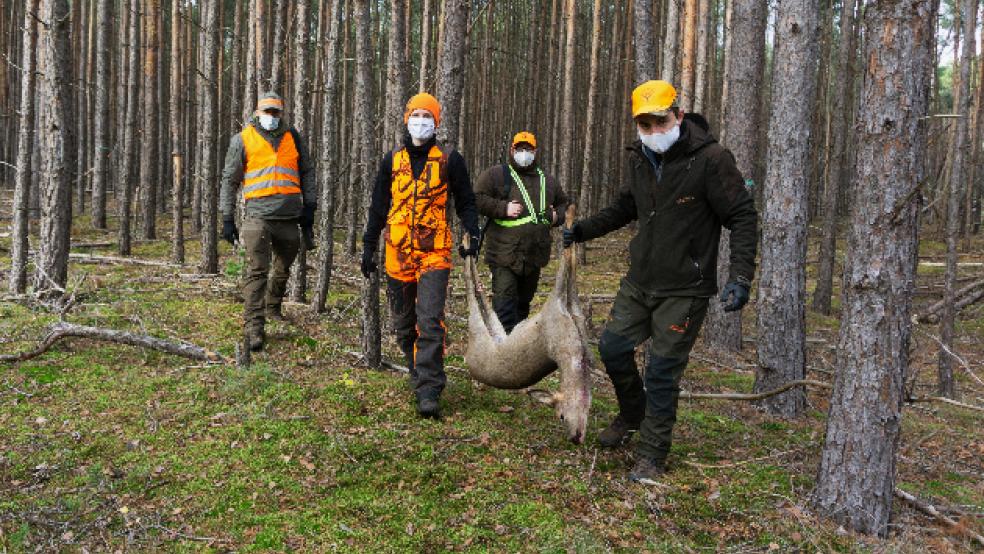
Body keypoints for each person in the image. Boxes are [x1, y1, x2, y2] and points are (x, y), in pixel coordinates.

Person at [563, 80, 758, 483]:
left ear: (679, 115)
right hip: (640, 281)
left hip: (685, 288)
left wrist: (740, 276)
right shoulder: (639, 158)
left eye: (660, 121)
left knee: (663, 372)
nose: (654, 131)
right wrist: (582, 230)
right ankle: (633, 414)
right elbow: (624, 208)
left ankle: (652, 453)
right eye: (645, 124)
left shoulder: (712, 159)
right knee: (613, 348)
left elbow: (741, 216)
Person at [361, 92, 481, 419]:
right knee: (403, 324)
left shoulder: (449, 160)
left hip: (434, 253)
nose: (421, 122)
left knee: (430, 320)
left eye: (428, 117)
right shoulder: (392, 161)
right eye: (416, 115)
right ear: (406, 119)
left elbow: (467, 202)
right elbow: (377, 207)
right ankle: (417, 366)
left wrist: (474, 231)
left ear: (436, 122)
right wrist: (368, 245)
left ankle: (429, 387)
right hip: (397, 253)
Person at [219, 92, 317, 352]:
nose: (271, 117)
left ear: (281, 114)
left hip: (289, 217)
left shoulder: (293, 137)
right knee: (257, 271)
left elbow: (306, 171)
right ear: (257, 112)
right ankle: (254, 327)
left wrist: (311, 206)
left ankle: (273, 306)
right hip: (257, 217)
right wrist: (227, 217)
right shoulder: (242, 140)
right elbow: (230, 180)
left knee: (284, 267)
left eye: (276, 112)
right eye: (267, 112)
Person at [474, 131, 569, 333]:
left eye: (528, 149)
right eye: (519, 149)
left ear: (536, 152)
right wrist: (502, 208)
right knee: (504, 307)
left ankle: (517, 351)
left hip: (534, 255)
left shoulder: (548, 181)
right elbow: (476, 199)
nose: (524, 153)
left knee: (523, 306)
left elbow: (565, 205)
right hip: (504, 255)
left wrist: (556, 217)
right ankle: (502, 355)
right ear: (512, 150)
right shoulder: (497, 175)